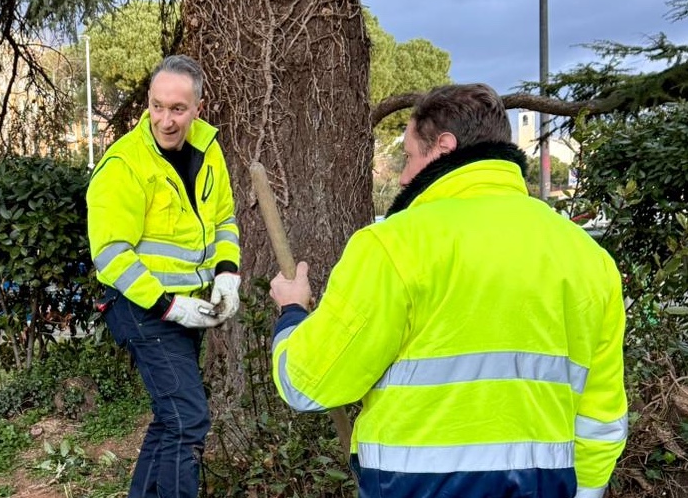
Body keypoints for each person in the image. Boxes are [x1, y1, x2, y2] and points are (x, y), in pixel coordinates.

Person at [268, 83, 627, 498]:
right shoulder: (586, 256)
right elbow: (601, 418)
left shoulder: (392, 246)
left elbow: (307, 384)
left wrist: (292, 312)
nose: (403, 176)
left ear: (443, 146)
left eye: (408, 156)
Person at [87, 54, 241, 498]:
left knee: (170, 418)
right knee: (187, 419)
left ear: (198, 108)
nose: (166, 120)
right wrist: (171, 306)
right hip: (143, 308)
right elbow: (112, 255)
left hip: (189, 307)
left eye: (177, 109)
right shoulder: (125, 164)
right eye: (157, 106)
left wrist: (226, 274)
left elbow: (225, 220)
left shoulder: (209, 150)